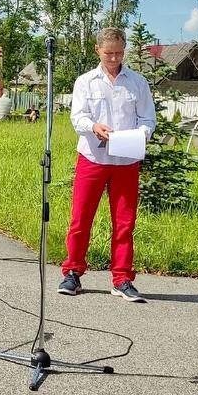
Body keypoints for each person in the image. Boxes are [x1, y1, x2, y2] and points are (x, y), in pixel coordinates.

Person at [58, 27, 156, 302]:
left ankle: (122, 279)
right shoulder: (85, 82)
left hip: (126, 161)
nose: (114, 58)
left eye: (119, 53)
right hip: (93, 158)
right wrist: (93, 127)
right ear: (97, 50)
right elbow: (78, 117)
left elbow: (148, 119)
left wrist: (140, 135)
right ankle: (73, 272)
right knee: (80, 218)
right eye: (108, 53)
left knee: (124, 222)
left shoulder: (138, 82)